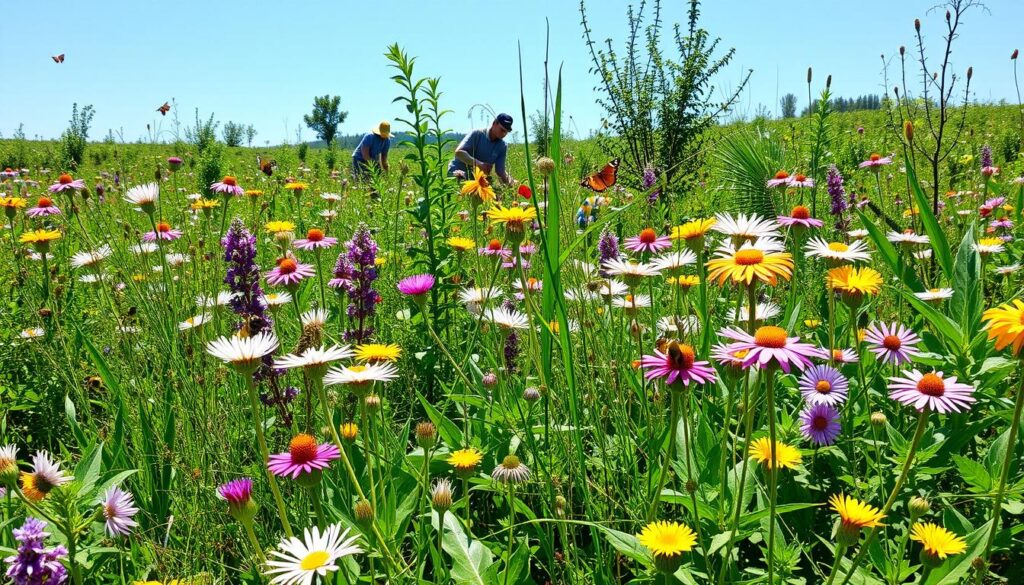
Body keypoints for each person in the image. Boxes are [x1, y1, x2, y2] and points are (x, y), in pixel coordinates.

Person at [448, 113, 514, 185]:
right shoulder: (477, 134)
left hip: (478, 181)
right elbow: (459, 153)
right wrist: (479, 164)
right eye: (502, 130)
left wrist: (512, 184)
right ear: (494, 123)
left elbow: (500, 171)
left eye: (506, 132)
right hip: (459, 173)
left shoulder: (502, 146)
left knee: (495, 194)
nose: (504, 134)